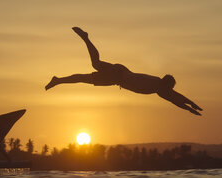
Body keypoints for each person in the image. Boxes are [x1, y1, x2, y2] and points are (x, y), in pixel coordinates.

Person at [45, 27, 203, 116]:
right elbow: (175, 98)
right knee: (95, 64)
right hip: (119, 74)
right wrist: (189, 106)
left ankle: (58, 80)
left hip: (117, 79)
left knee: (85, 77)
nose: (169, 91)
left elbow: (176, 98)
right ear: (165, 84)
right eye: (168, 88)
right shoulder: (158, 86)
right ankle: (86, 38)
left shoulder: (159, 89)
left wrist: (191, 106)